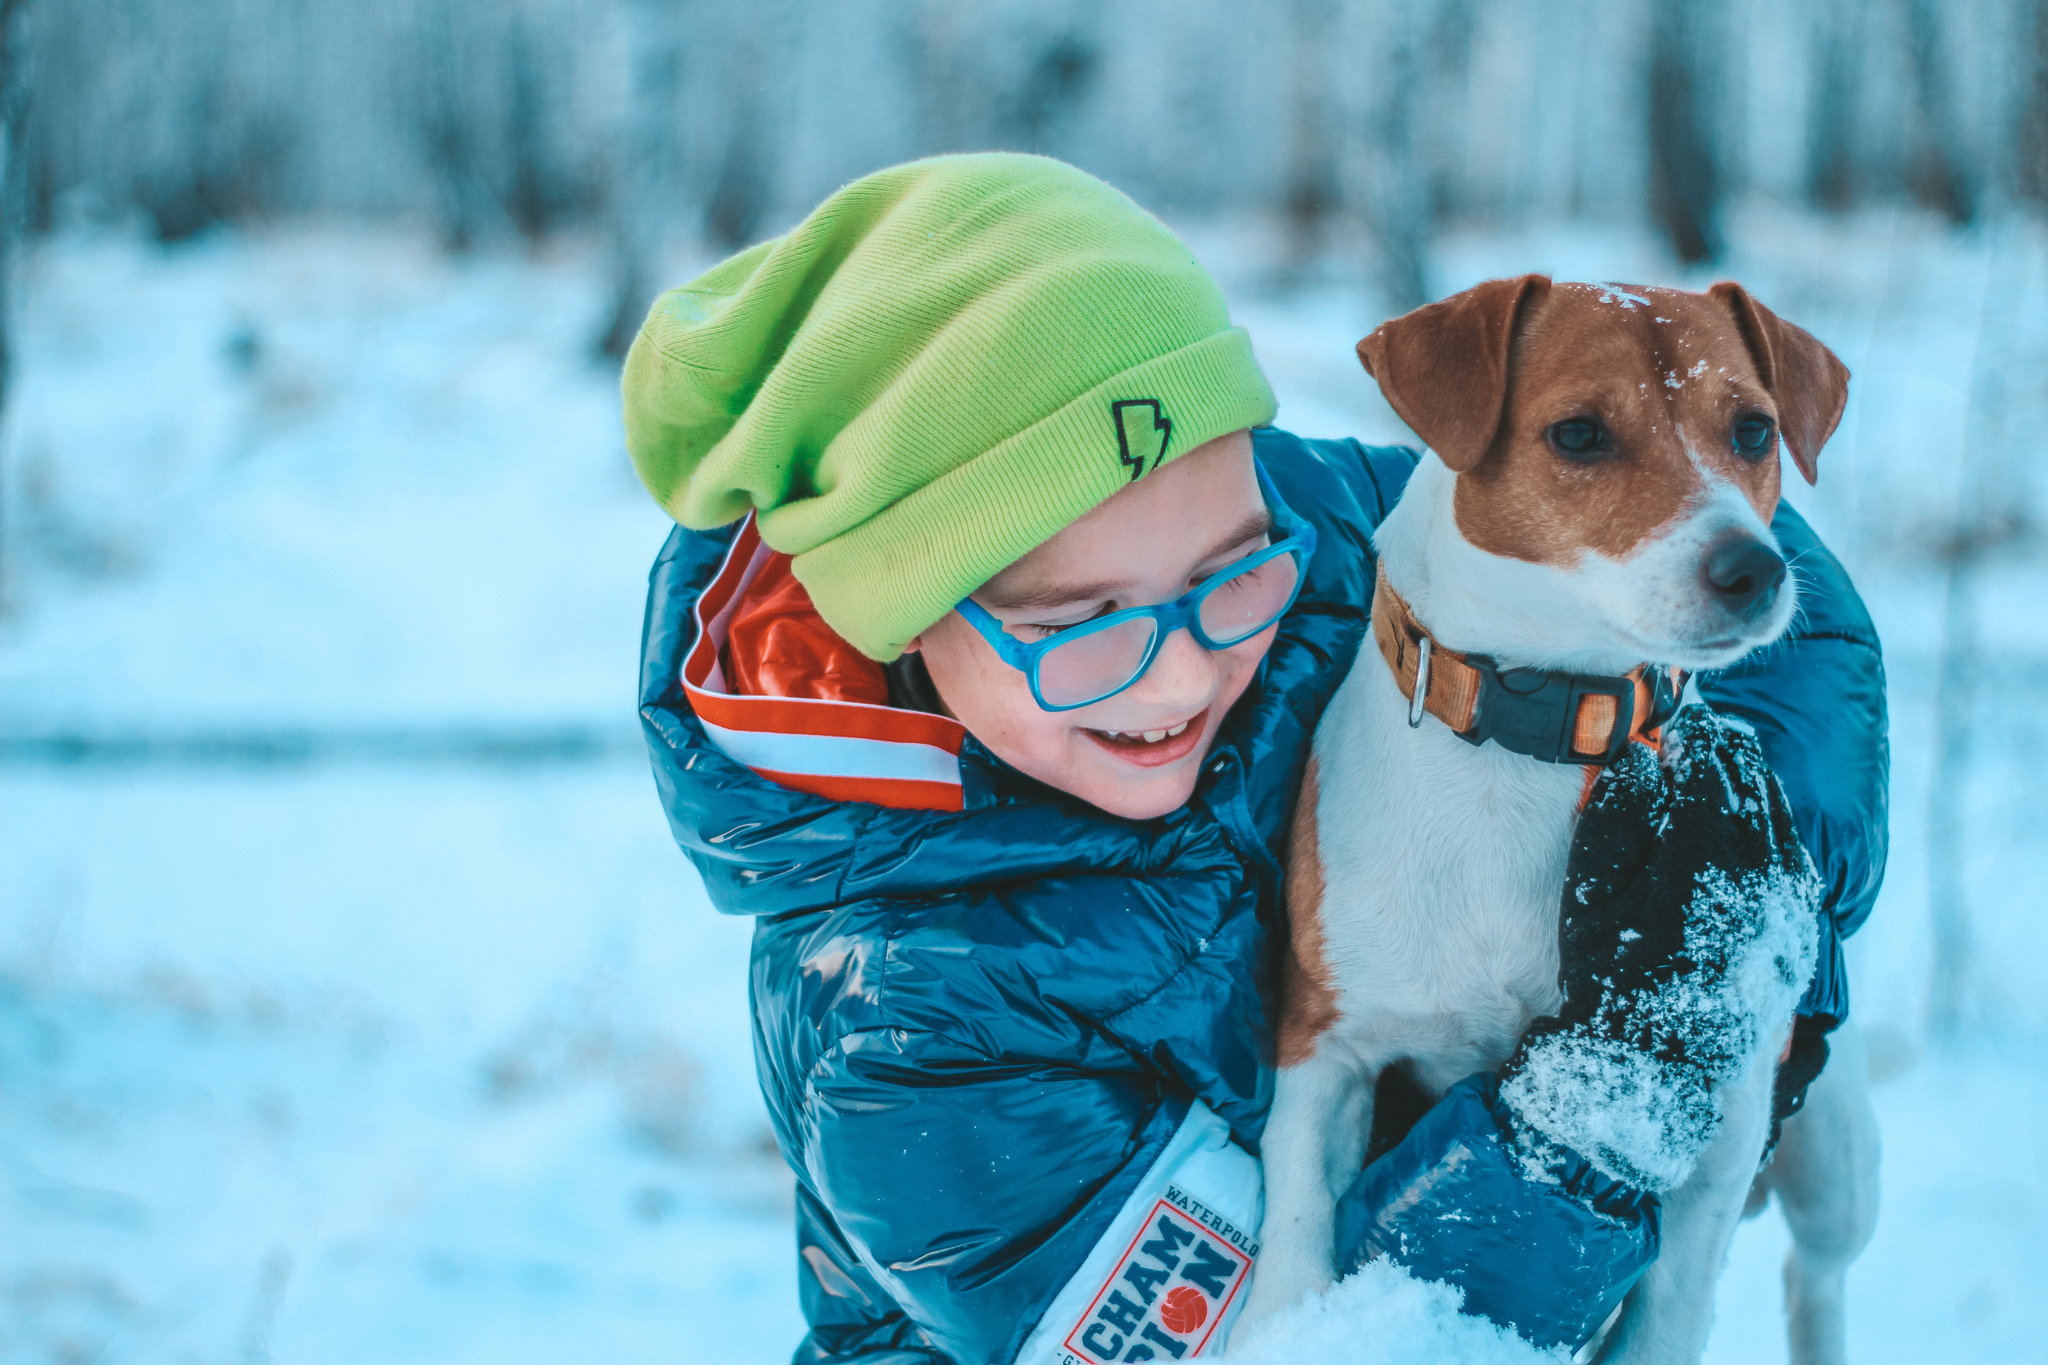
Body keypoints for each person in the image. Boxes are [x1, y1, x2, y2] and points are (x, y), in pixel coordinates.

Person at [620, 154, 1886, 1362]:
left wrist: (1767, 871)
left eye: (1228, 572)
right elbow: (1301, 1338)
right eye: (1077, 627)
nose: (1178, 671)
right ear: (897, 613)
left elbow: (1766, 588)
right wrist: (1600, 1115)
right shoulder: (905, 1039)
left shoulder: (1327, 529)